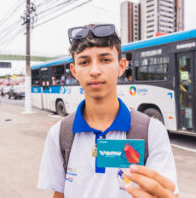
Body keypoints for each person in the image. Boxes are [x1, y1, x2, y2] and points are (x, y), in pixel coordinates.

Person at [37, 24, 178, 198]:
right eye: (84, 62)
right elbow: (60, 193)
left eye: (105, 60)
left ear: (121, 66)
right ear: (74, 71)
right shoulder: (59, 134)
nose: (95, 71)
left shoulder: (152, 131)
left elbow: (165, 191)